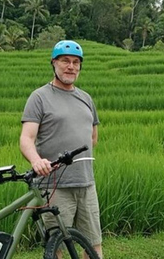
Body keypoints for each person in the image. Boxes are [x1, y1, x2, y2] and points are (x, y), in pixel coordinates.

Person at [19, 40, 103, 258]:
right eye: (65, 61)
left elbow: (93, 137)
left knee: (93, 244)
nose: (71, 66)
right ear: (54, 63)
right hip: (54, 186)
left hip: (86, 183)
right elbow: (26, 138)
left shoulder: (86, 98)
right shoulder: (39, 97)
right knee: (55, 246)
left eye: (76, 62)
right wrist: (36, 160)